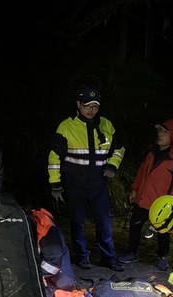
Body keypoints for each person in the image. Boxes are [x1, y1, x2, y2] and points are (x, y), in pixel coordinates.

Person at [48, 85, 126, 272]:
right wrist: (56, 185)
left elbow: (119, 148)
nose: (91, 110)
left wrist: (112, 166)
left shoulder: (107, 125)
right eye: (87, 105)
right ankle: (82, 257)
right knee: (77, 222)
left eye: (95, 106)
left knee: (104, 224)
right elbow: (54, 157)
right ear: (78, 104)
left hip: (99, 183)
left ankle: (109, 258)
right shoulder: (66, 126)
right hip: (75, 184)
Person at [118, 118, 173, 271]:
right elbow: (141, 172)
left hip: (162, 204)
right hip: (143, 198)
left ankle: (163, 257)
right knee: (135, 225)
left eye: (165, 132)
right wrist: (135, 189)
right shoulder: (151, 151)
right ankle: (132, 252)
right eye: (159, 131)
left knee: (163, 231)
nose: (160, 134)